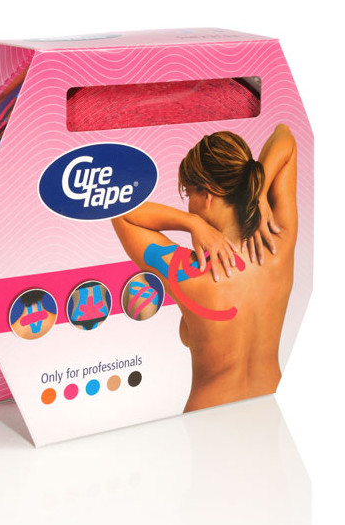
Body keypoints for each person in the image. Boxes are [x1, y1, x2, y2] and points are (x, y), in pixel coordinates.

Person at [112, 124, 297, 411]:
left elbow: (120, 211)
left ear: (207, 196)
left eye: (189, 195)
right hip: (270, 408)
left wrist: (192, 223)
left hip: (207, 419)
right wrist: (260, 194)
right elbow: (284, 136)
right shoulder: (277, 243)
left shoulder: (187, 272)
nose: (190, 207)